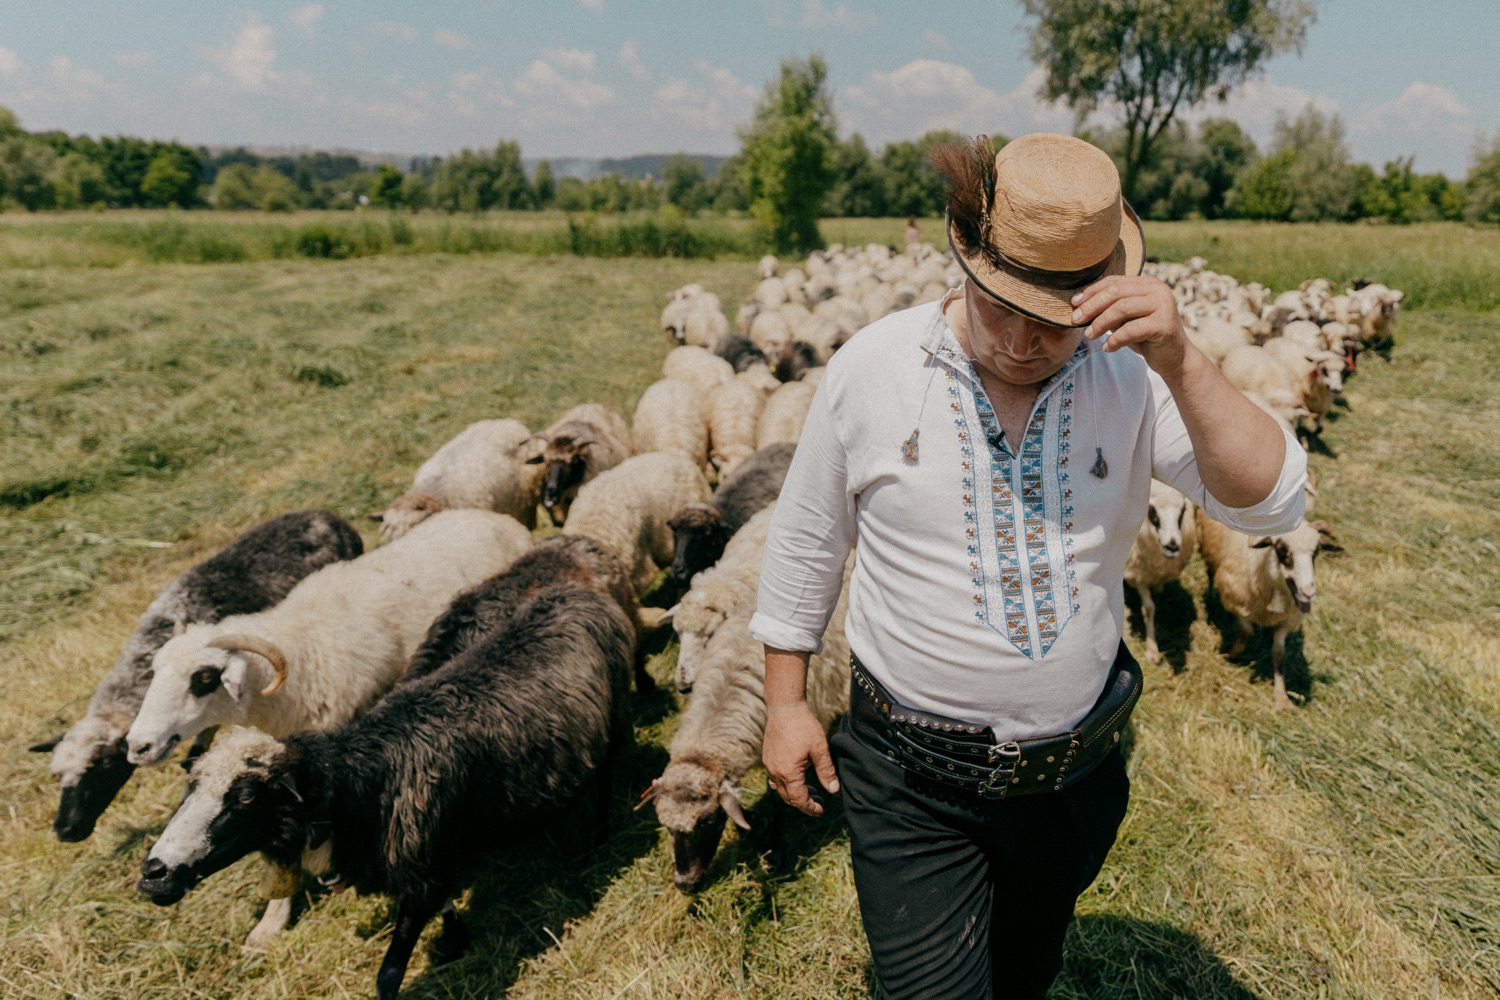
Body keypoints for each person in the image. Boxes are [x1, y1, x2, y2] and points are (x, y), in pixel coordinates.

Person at [750, 132, 1306, 999]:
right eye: (997, 304)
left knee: (1025, 974)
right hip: (911, 776)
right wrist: (785, 703)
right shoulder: (874, 369)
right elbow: (807, 536)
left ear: (1101, 295)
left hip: (1071, 781)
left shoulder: (1131, 378)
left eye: (1052, 320)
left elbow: (1269, 502)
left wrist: (1183, 359)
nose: (1017, 341)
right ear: (967, 262)